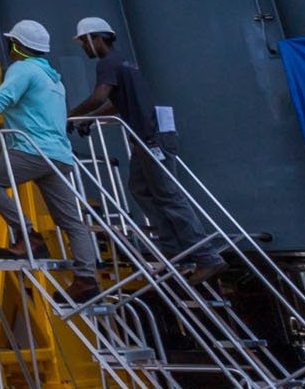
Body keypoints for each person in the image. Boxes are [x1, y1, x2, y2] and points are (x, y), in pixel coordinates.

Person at [68, 14, 208, 256]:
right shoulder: (124, 63)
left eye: (84, 41)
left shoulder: (107, 63)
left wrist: (70, 115)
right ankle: (172, 248)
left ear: (97, 38)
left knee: (167, 195)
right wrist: (90, 119)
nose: (83, 47)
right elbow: (116, 103)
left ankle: (204, 255)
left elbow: (100, 97)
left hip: (150, 137)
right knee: (140, 188)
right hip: (150, 136)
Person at [0, 19, 96, 272]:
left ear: (16, 45)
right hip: (60, 156)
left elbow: (2, 98)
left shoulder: (22, 69)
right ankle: (87, 279)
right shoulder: (54, 81)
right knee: (72, 222)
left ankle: (28, 235)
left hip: (33, 152)